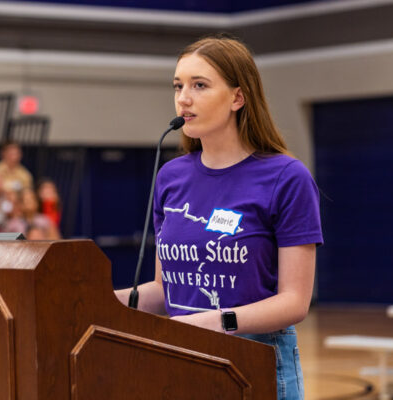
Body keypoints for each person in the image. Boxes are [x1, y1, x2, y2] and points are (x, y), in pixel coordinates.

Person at [114, 36, 323, 400]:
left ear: (238, 98)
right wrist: (90, 298)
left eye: (199, 85)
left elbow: (294, 302)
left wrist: (215, 322)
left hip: (254, 361)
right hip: (183, 360)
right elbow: (166, 290)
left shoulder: (286, 177)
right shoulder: (170, 177)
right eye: (178, 86)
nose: (183, 98)